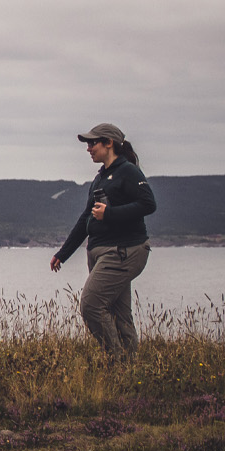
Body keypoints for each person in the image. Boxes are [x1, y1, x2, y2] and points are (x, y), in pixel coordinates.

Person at [51, 123, 155, 360]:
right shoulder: (100, 178)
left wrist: (109, 214)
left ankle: (116, 360)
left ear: (109, 143)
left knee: (91, 305)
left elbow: (149, 204)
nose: (88, 148)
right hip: (101, 252)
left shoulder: (128, 172)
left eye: (92, 143)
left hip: (123, 250)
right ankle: (130, 369)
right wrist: (63, 254)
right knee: (119, 314)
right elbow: (86, 218)